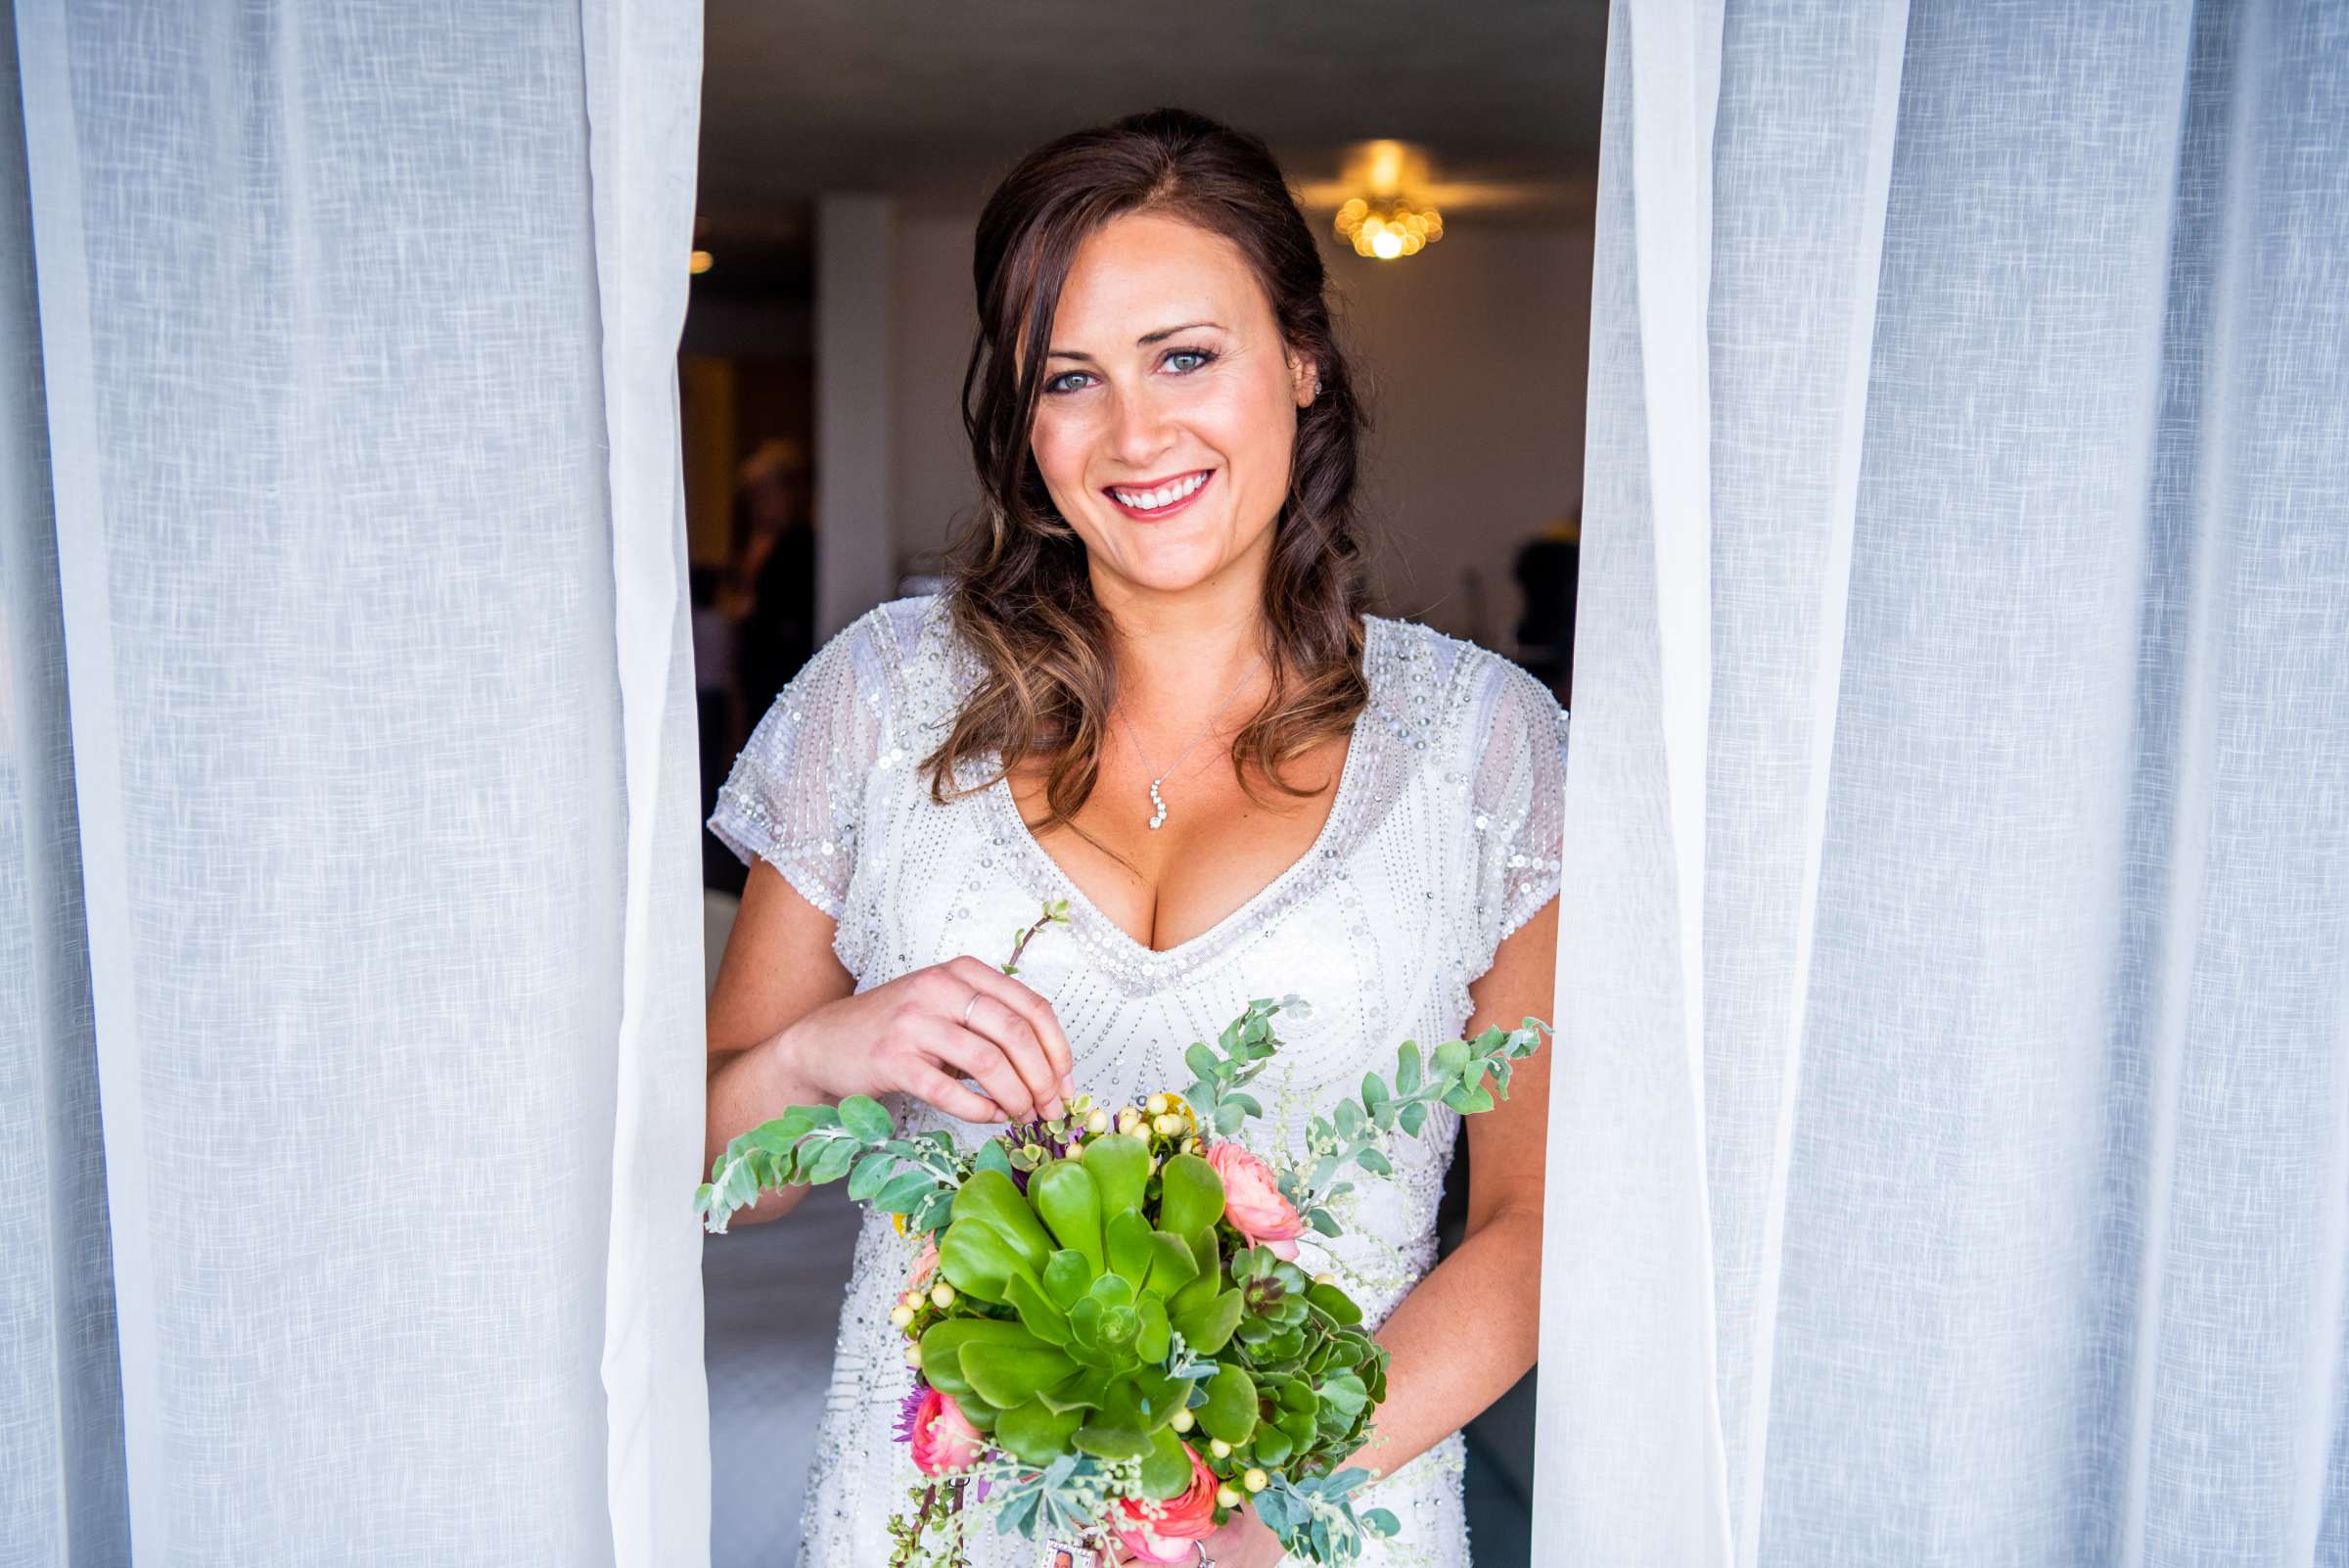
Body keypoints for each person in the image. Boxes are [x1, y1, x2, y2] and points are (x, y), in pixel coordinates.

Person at [704, 107, 1568, 1568]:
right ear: (1022, 420)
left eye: (1187, 355)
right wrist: (814, 1057)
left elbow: (1536, 1228)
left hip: (1314, 1537)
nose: (1135, 433)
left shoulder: (1487, 746)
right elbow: (727, 1178)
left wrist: (1259, 1512)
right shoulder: (882, 698)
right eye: (1071, 379)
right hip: (921, 1530)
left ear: (1302, 359)